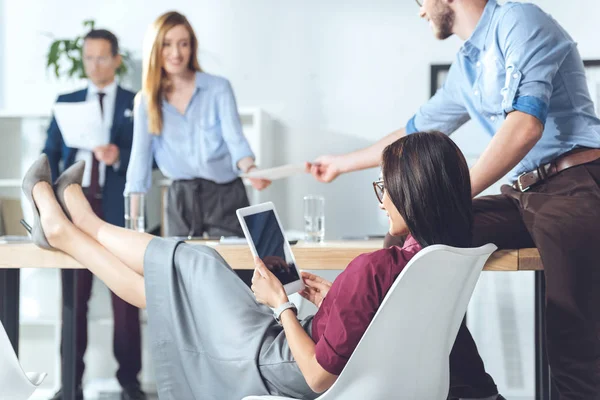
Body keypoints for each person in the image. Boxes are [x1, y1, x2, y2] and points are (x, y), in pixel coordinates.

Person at [23, 131, 483, 399]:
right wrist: (335, 300)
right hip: (294, 345)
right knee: (183, 287)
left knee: (197, 264)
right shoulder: (431, 259)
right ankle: (73, 227)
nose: (382, 201)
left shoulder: (377, 266)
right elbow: (380, 325)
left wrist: (281, 305)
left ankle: (75, 225)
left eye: (386, 187)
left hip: (282, 361)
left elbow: (320, 376)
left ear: (414, 191)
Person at [307, 0, 600, 398]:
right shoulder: (467, 66)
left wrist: (449, 195)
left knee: (572, 332)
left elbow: (526, 125)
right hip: (522, 194)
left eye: (419, 1)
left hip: (576, 184)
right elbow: (414, 132)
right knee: (413, 239)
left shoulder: (518, 20)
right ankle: (471, 389)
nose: (420, 11)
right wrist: (342, 164)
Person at [42, 29, 145, 400]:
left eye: (102, 57)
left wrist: (118, 157)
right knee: (73, 298)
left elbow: (149, 157)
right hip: (75, 208)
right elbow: (49, 154)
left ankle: (130, 383)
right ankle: (70, 382)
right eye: (89, 57)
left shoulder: (137, 102)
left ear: (117, 59)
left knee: (128, 297)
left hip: (118, 209)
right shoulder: (66, 101)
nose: (95, 65)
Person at [125, 11, 270, 238]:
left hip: (225, 196)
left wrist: (251, 170)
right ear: (155, 49)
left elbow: (236, 141)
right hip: (180, 201)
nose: (176, 53)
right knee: (183, 271)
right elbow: (139, 161)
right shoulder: (146, 101)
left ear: (192, 47)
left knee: (234, 270)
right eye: (167, 44)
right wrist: (133, 225)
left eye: (183, 44)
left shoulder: (218, 88)